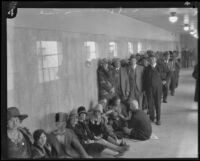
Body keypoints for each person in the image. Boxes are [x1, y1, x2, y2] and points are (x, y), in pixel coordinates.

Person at [143, 54, 163, 125]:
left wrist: (165, 80)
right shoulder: (147, 68)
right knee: (150, 104)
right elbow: (144, 80)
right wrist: (144, 89)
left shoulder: (160, 67)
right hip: (149, 89)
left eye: (153, 59)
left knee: (158, 103)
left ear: (155, 60)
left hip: (158, 89)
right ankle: (151, 118)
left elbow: (168, 72)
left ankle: (158, 119)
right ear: (149, 60)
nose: (152, 60)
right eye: (150, 59)